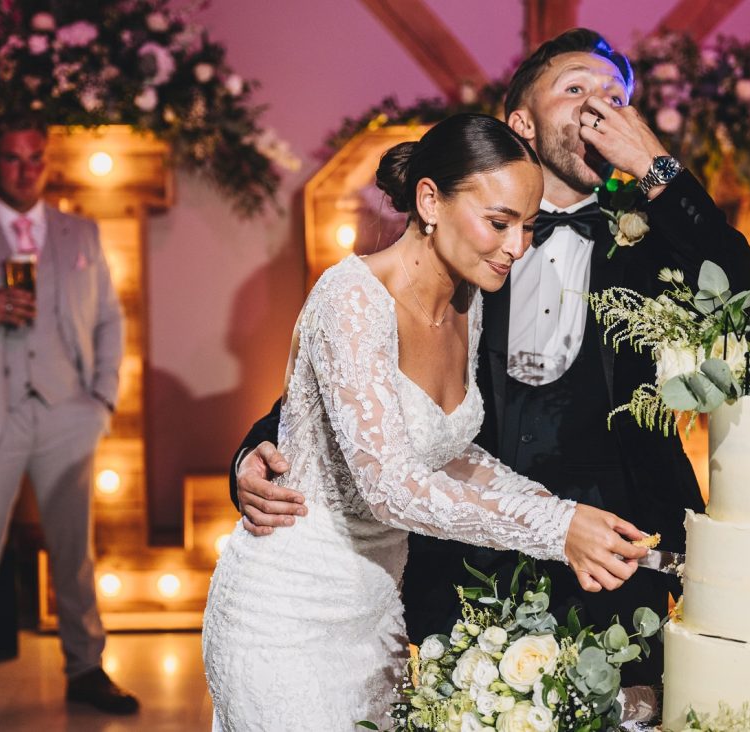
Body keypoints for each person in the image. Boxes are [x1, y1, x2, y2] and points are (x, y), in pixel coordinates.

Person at [231, 28, 750, 688]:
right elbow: (357, 362)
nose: (598, 105)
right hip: (461, 568)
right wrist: (257, 452)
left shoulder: (658, 232)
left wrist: (660, 170)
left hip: (613, 559)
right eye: (574, 88)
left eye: (615, 95)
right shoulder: (460, 234)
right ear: (521, 121)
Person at [202, 113, 652, 730]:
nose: (517, 248)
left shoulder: (468, 302)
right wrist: (552, 528)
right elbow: (389, 485)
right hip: (287, 615)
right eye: (499, 223)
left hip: (378, 613)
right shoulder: (350, 297)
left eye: (527, 225)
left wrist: (560, 510)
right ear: (429, 199)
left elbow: (445, 452)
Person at [0, 114, 137, 728]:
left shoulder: (80, 234)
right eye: (13, 158)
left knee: (75, 552)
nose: (26, 169)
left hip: (69, 411)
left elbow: (109, 321)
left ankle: (86, 667)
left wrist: (102, 399)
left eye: (36, 157)